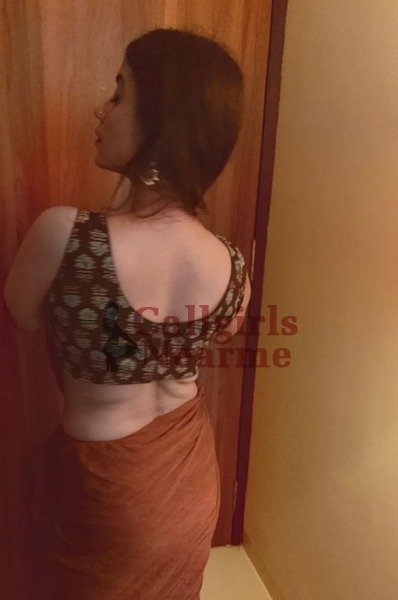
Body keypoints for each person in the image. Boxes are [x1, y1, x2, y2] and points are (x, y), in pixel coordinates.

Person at [21, 27, 251, 600]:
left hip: (106, 497)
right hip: (188, 479)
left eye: (120, 93)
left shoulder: (64, 234)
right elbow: (224, 330)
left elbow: (23, 315)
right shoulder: (232, 264)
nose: (102, 109)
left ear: (161, 124)